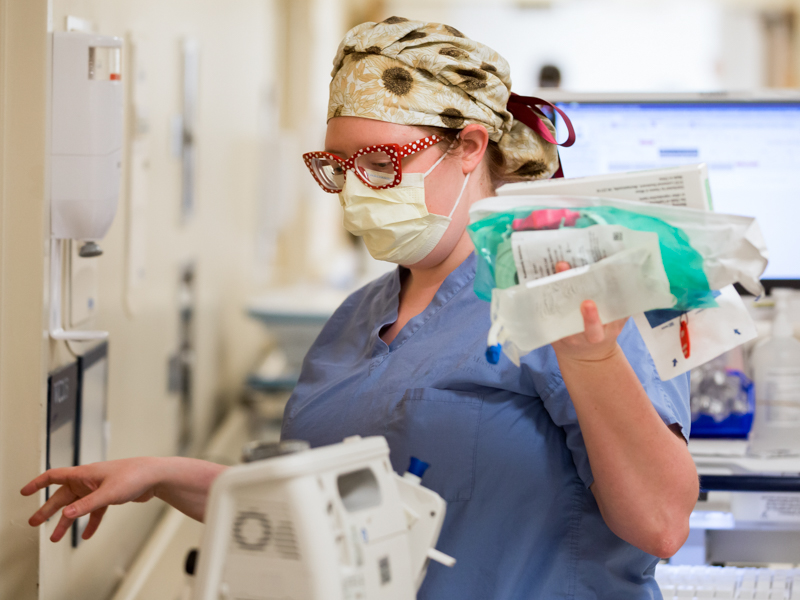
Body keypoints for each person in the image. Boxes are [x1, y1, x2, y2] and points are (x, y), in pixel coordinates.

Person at [22, 18, 698, 599]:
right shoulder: (357, 319)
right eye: (340, 167)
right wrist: (162, 475)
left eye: (380, 163)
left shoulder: (565, 291)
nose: (354, 191)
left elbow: (662, 523)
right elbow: (321, 505)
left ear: (467, 147)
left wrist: (595, 357)